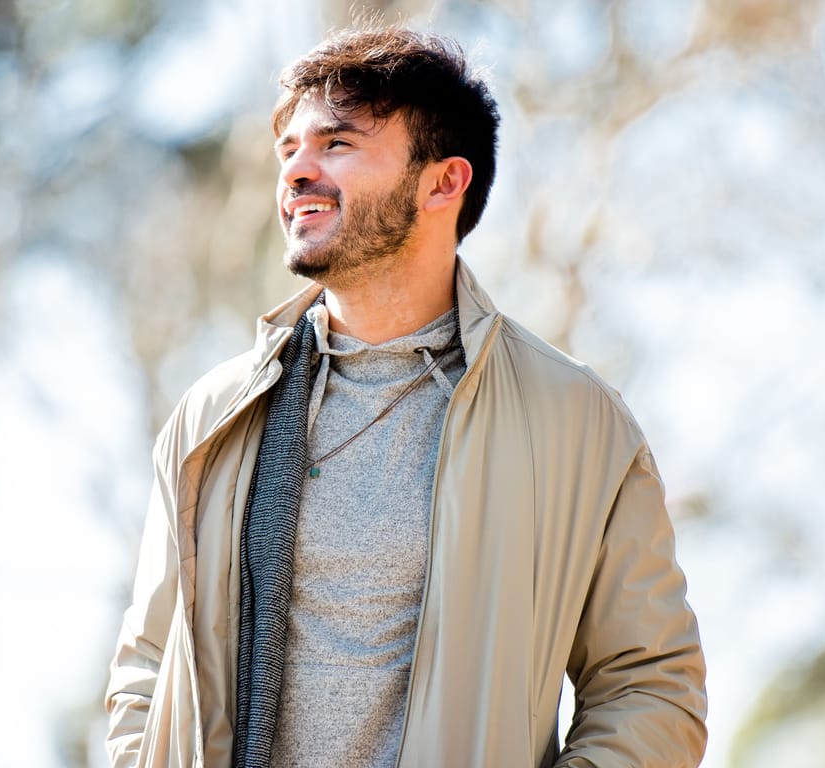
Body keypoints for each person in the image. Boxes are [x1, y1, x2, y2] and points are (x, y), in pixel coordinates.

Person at [105, 25, 707, 768]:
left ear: (442, 182)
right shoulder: (212, 417)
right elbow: (147, 673)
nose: (296, 171)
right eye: (287, 149)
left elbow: (650, 684)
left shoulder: (576, 422)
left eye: (337, 144)